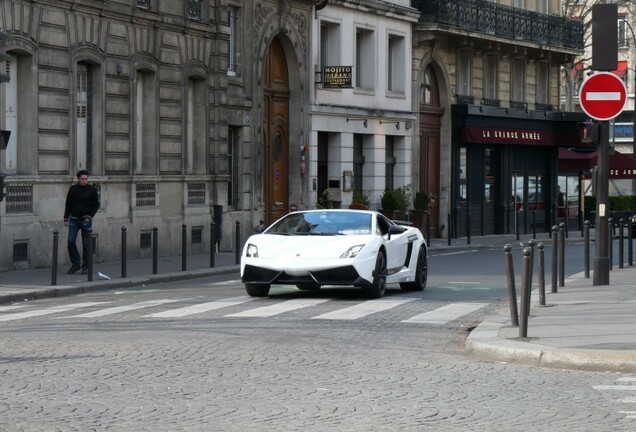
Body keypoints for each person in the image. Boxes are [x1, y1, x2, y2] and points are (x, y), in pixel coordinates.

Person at [63, 170, 100, 274]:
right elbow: (68, 204)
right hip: (74, 218)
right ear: (78, 179)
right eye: (82, 179)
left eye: (86, 179)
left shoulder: (92, 189)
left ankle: (86, 266)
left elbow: (96, 205)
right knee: (70, 241)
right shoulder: (73, 189)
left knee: (86, 244)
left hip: (85, 219)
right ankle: (76, 263)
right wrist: (66, 218)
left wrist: (90, 217)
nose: (84, 181)